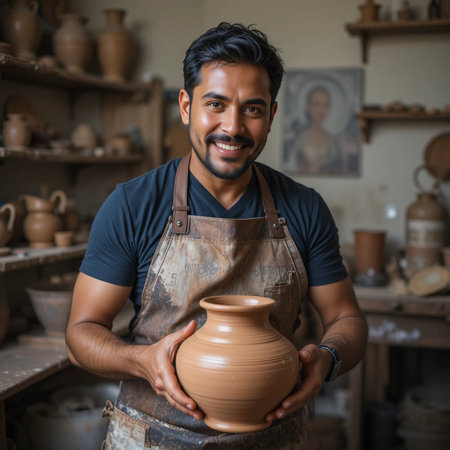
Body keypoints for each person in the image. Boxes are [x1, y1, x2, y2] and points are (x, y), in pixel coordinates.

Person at [66, 22, 368, 450]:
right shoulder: (133, 204)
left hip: (272, 440)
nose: (233, 127)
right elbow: (81, 334)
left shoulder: (304, 208)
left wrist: (327, 358)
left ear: (272, 115)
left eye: (253, 109)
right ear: (186, 106)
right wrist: (140, 360)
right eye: (216, 104)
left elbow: (347, 320)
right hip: (153, 438)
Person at [294, 86, 339, 173]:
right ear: (308, 106)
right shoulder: (298, 138)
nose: (321, 110)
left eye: (326, 105)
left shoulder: (332, 139)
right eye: (316, 104)